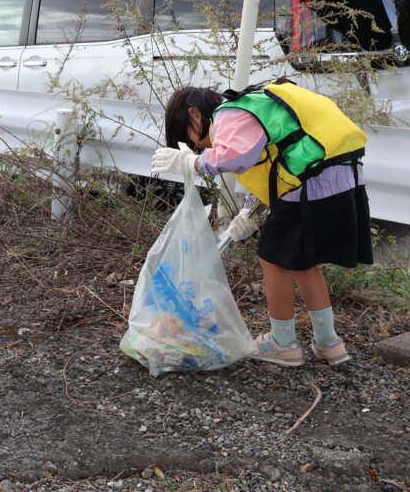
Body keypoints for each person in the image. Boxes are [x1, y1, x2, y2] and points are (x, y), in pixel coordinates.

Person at [151, 81, 372, 367]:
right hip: (340, 178)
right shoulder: (255, 109)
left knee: (271, 257)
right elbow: (274, 163)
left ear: (195, 115)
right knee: (302, 263)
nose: (197, 144)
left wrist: (191, 162)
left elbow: (234, 156)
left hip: (311, 183)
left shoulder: (228, 114)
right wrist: (249, 212)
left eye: (190, 137)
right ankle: (329, 343)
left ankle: (283, 344)